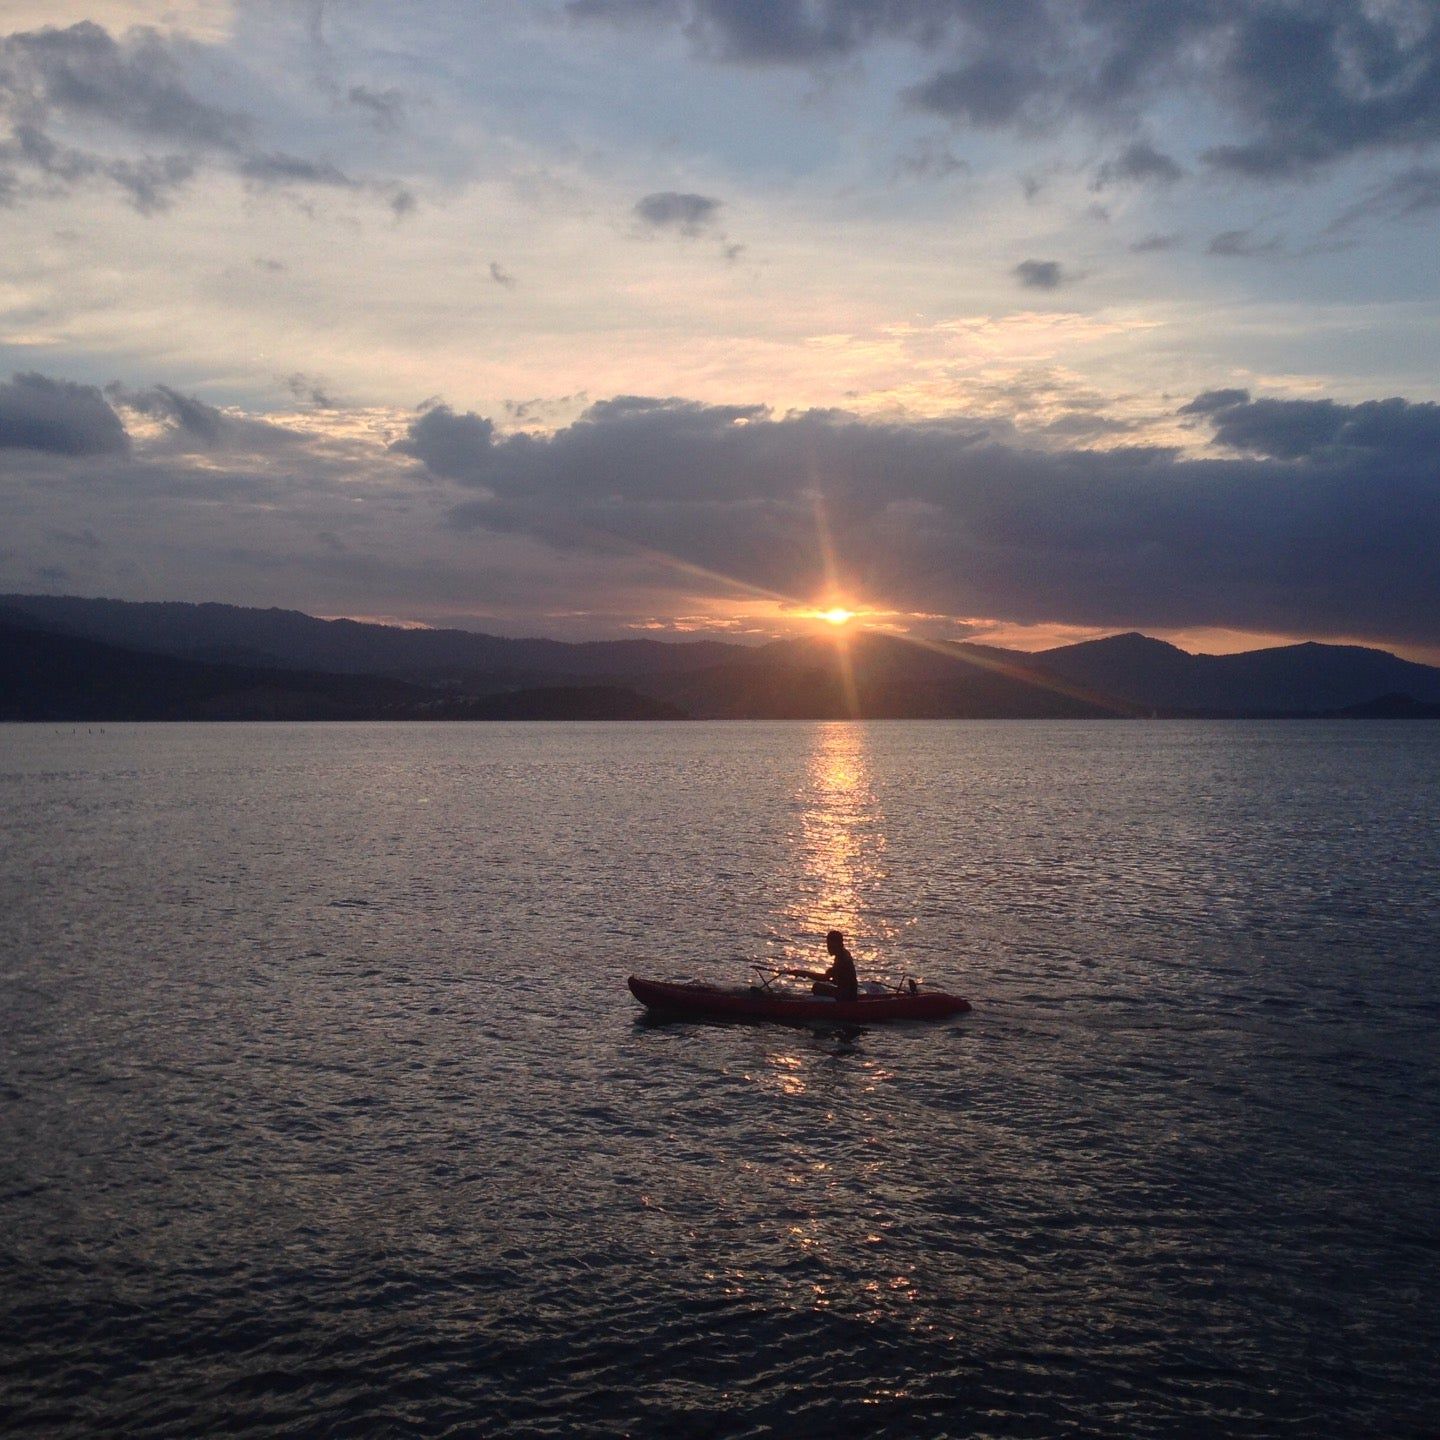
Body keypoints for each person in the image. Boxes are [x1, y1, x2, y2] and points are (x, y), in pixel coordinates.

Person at [812, 929, 858, 1003]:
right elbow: (837, 979)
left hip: (847, 996)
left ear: (838, 944)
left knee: (817, 987)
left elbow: (824, 978)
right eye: (827, 944)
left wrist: (804, 973)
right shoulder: (843, 954)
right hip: (848, 993)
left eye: (830, 944)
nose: (828, 947)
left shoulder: (842, 958)